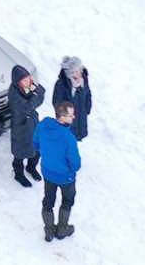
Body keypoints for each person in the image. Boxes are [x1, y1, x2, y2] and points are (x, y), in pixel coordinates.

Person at [33, 101, 82, 242]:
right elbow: (75, 163)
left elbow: (35, 142)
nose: (73, 117)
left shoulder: (43, 125)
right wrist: (71, 170)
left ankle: (49, 231)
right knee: (67, 200)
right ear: (61, 116)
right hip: (66, 177)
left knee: (48, 200)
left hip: (48, 173)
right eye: (70, 115)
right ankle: (62, 229)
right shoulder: (68, 138)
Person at [7, 64, 45, 188]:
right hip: (21, 127)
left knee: (37, 149)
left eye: (28, 78)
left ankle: (31, 167)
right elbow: (27, 107)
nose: (28, 81)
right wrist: (35, 95)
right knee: (20, 152)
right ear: (17, 82)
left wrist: (36, 95)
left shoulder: (28, 87)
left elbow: (41, 92)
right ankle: (18, 174)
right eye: (24, 80)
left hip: (33, 123)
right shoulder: (14, 94)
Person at [52, 56, 92, 141]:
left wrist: (87, 108)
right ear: (70, 73)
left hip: (81, 117)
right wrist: (65, 116)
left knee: (78, 137)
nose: (78, 73)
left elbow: (88, 94)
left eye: (79, 70)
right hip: (68, 120)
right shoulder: (61, 84)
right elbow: (56, 103)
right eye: (75, 72)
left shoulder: (83, 80)